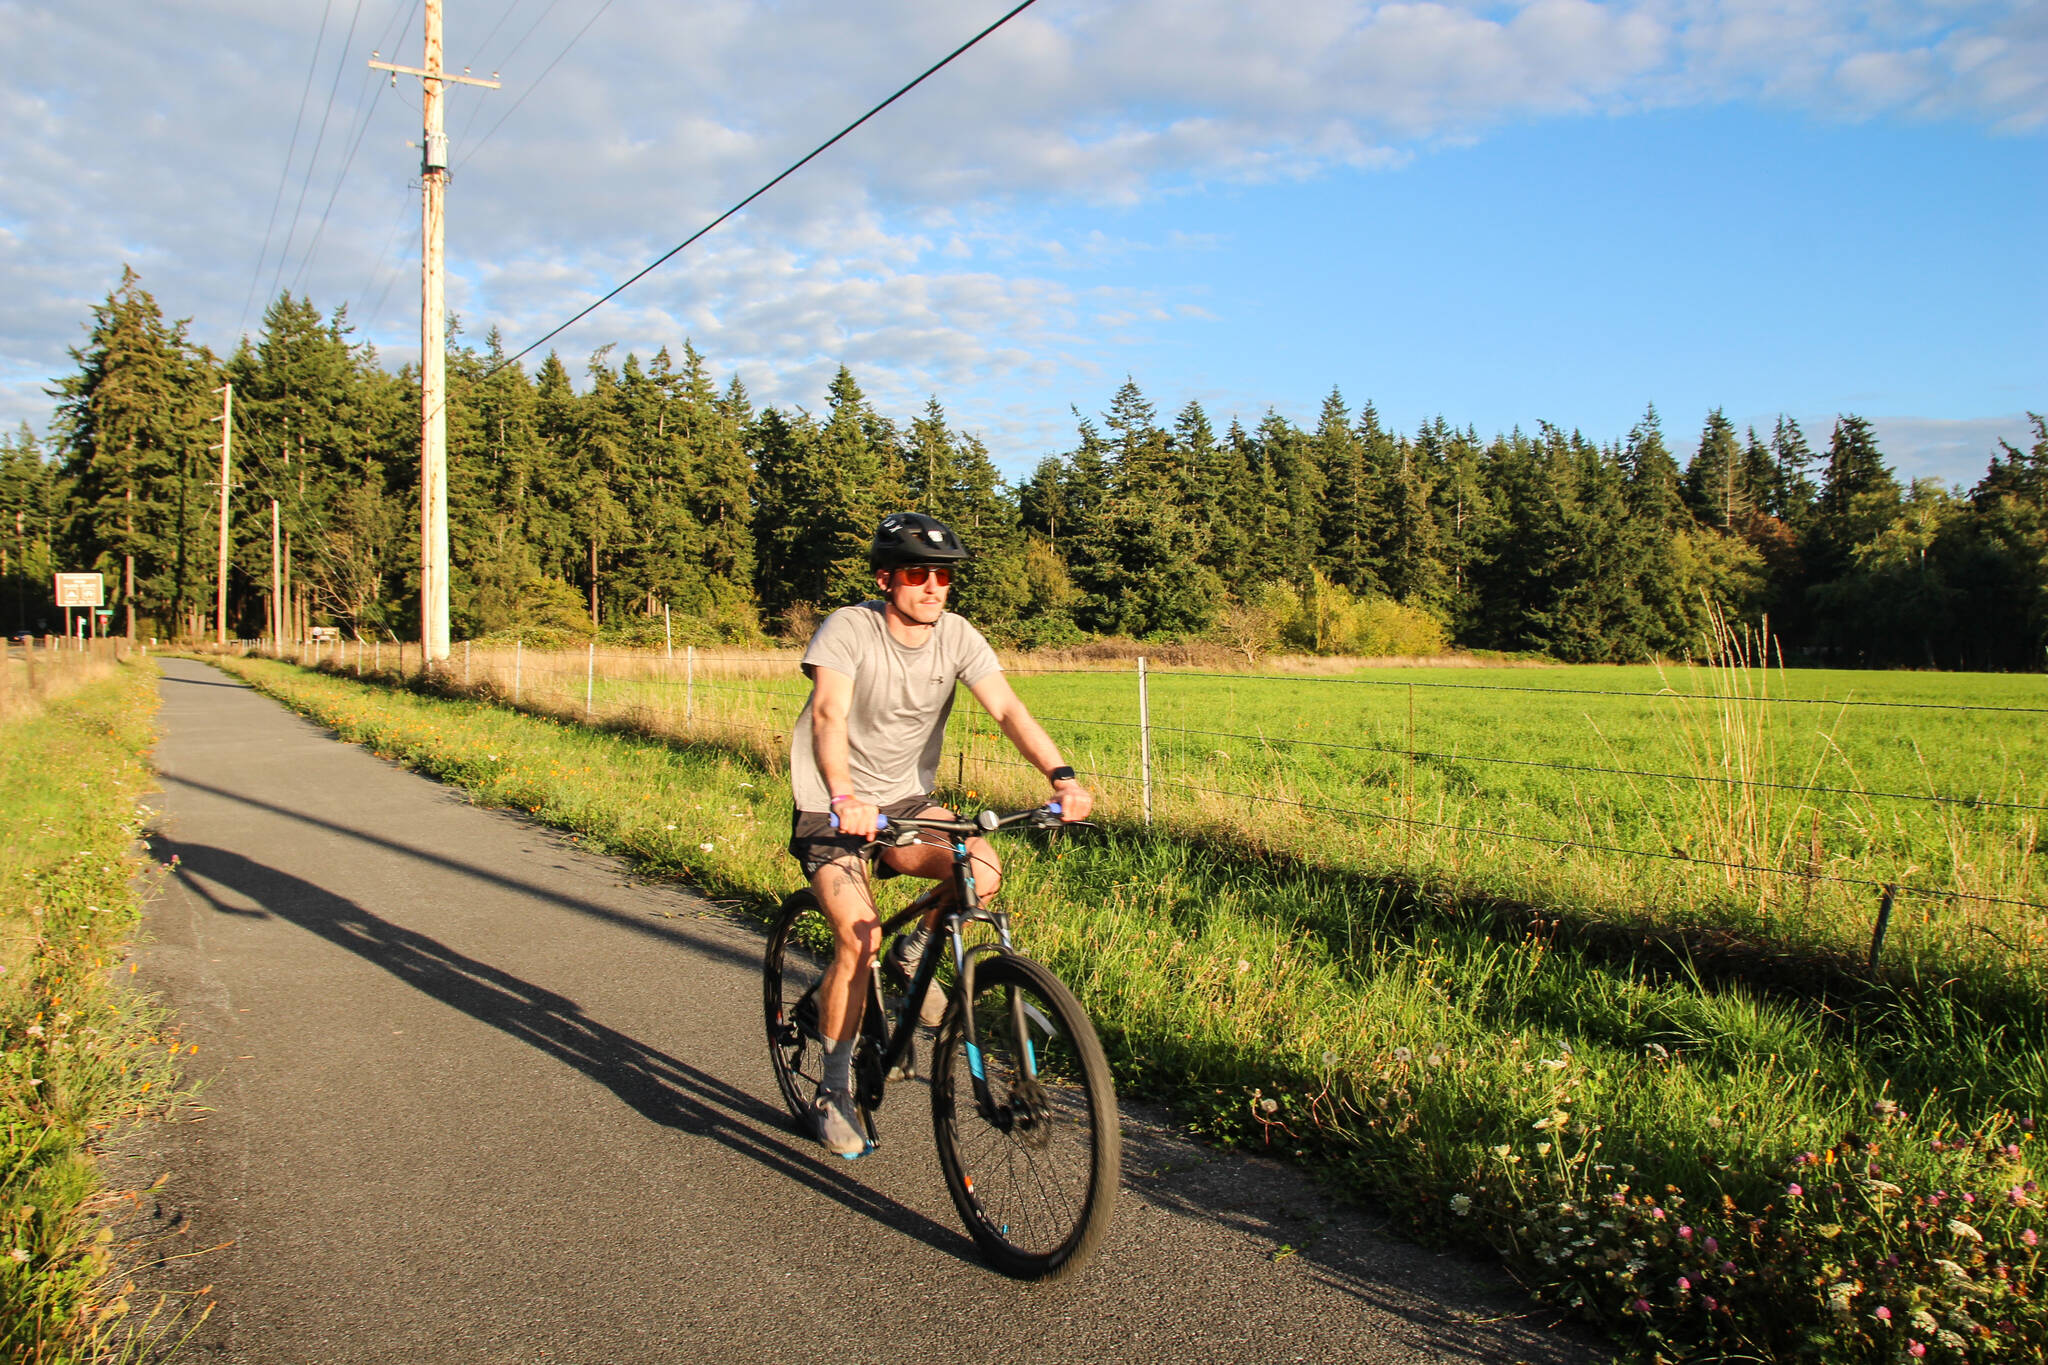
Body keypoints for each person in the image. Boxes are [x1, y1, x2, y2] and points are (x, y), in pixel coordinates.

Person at [787, 511, 1093, 1157]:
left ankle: (915, 950)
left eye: (943, 575)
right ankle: (833, 1090)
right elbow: (828, 712)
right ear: (886, 577)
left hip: (906, 800)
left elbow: (1008, 708)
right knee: (858, 935)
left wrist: (1062, 777)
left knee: (980, 868)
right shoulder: (849, 627)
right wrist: (844, 795)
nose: (932, 586)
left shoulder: (957, 635)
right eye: (917, 572)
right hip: (832, 804)